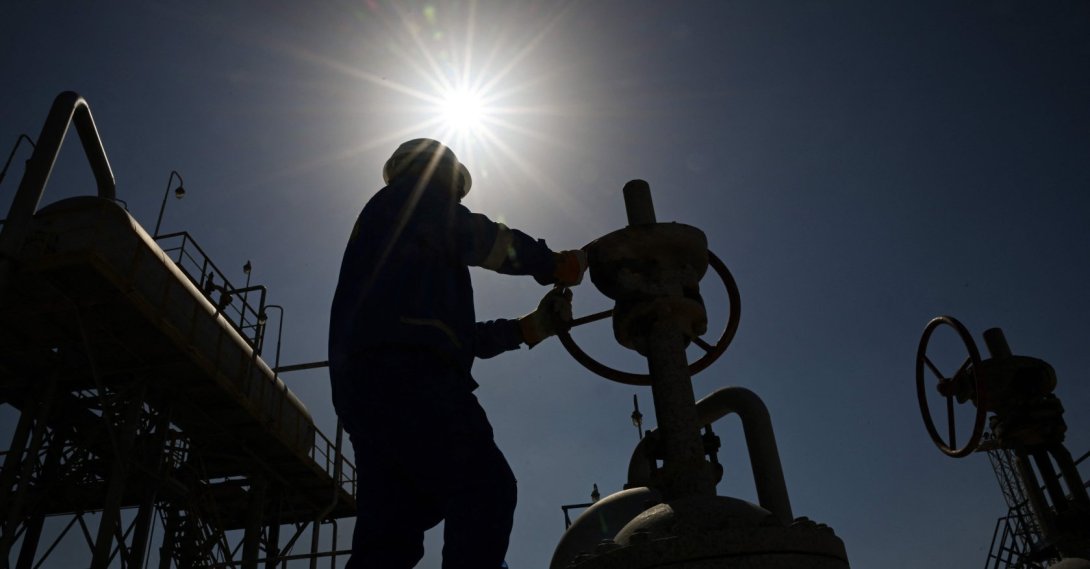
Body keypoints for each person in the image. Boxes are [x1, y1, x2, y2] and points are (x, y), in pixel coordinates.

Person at [328, 138, 587, 569]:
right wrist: (551, 264)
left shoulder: (396, 248)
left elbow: (456, 337)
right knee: (485, 488)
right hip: (410, 376)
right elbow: (479, 237)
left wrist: (528, 329)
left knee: (391, 537)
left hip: (367, 390)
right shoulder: (415, 199)